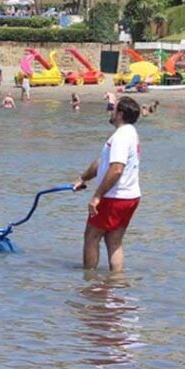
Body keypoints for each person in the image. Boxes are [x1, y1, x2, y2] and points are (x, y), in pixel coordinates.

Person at [72, 95, 141, 272]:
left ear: (120, 114)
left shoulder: (121, 137)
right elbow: (101, 162)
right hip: (130, 197)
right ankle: (116, 286)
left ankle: (89, 283)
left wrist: (97, 196)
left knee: (91, 237)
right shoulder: (130, 133)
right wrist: (83, 178)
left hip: (114, 197)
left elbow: (117, 169)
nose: (110, 111)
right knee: (114, 241)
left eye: (114, 108)